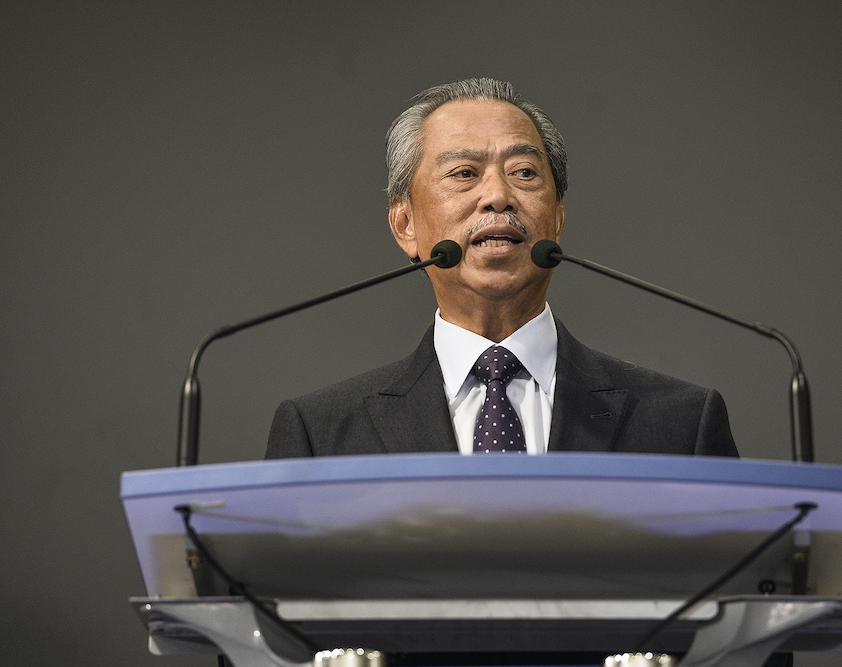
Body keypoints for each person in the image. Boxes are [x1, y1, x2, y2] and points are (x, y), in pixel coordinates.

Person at [265, 78, 737, 460]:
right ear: (405, 223)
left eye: (524, 173)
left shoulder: (681, 425)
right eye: (464, 173)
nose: (497, 196)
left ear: (557, 216)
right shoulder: (321, 436)